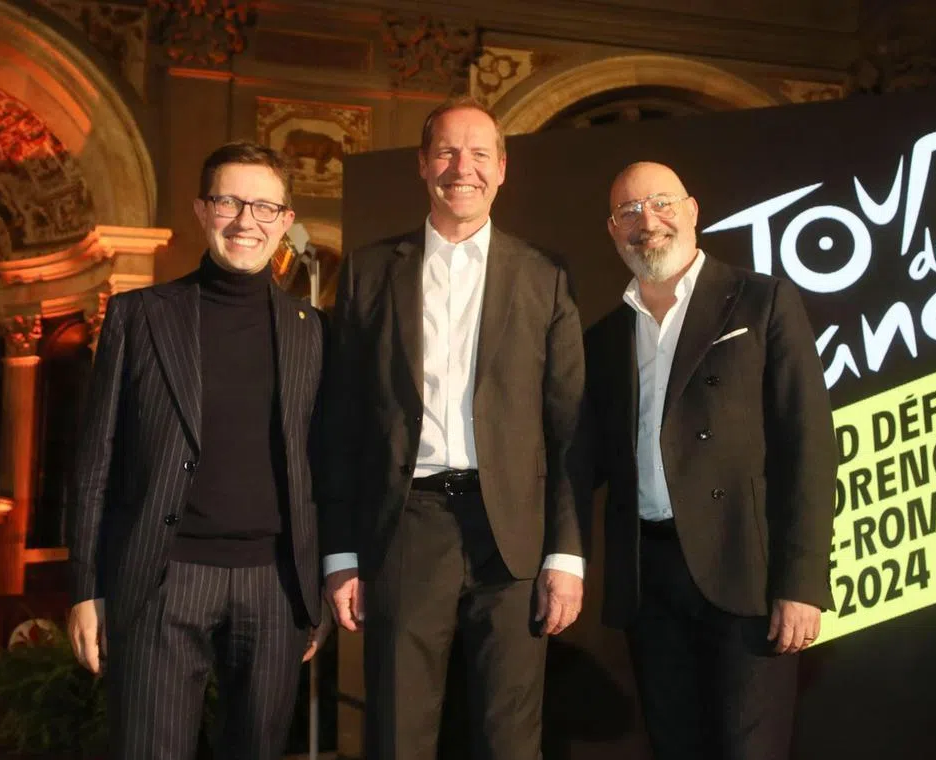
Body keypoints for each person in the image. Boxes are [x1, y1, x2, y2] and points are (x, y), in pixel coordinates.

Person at [317, 96, 586, 760]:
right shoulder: (368, 271)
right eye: (445, 151)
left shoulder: (545, 275)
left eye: (478, 153)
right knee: (397, 732)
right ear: (421, 164)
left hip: (514, 537)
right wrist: (341, 552)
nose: (461, 167)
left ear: (502, 168)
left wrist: (567, 554)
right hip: (407, 527)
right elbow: (343, 420)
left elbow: (568, 425)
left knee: (509, 739)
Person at [67, 141, 326, 759]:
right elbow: (94, 462)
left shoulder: (312, 331)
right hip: (162, 579)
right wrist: (85, 587)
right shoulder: (139, 316)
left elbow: (324, 466)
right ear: (201, 210)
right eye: (229, 201)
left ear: (286, 221)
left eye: (265, 207)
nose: (246, 221)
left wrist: (313, 587)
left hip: (275, 585)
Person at [581, 161, 838, 759]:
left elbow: (809, 445)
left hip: (745, 574)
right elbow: (582, 458)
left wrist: (801, 583)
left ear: (693, 210)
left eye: (662, 203)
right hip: (649, 580)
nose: (649, 222)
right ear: (613, 230)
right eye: (629, 212)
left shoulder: (762, 300)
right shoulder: (603, 337)